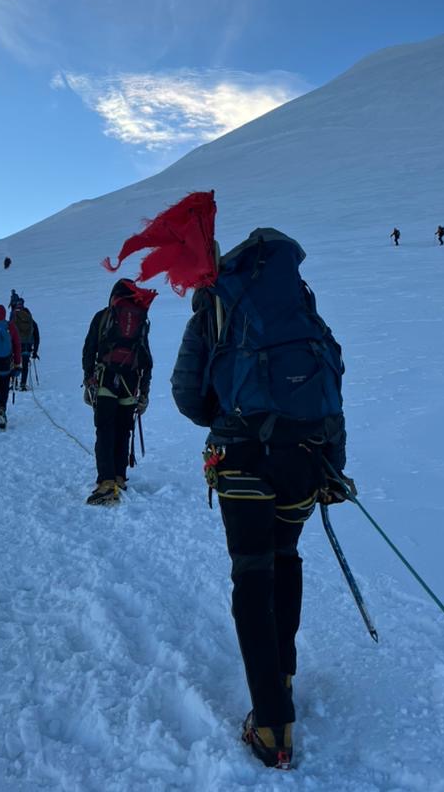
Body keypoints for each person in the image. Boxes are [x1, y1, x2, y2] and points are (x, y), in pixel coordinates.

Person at [171, 228, 352, 771]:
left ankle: (272, 723)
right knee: (285, 556)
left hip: (242, 456)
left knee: (251, 573)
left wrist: (228, 416)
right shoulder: (299, 305)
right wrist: (334, 464)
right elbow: (331, 384)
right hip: (305, 457)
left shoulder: (217, 304)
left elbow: (188, 395)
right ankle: (283, 674)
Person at [82, 279, 154, 506]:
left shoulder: (103, 316)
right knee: (123, 430)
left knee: (105, 430)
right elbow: (146, 358)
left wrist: (88, 378)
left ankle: (106, 482)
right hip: (131, 382)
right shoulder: (140, 319)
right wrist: (144, 391)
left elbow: (89, 349)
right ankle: (120, 477)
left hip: (106, 379)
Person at [10, 299, 39, 390]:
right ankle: (23, 384)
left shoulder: (13, 318)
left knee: (14, 363)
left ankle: (14, 383)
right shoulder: (30, 319)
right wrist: (35, 351)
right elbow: (37, 336)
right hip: (27, 345)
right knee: (25, 365)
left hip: (16, 345)